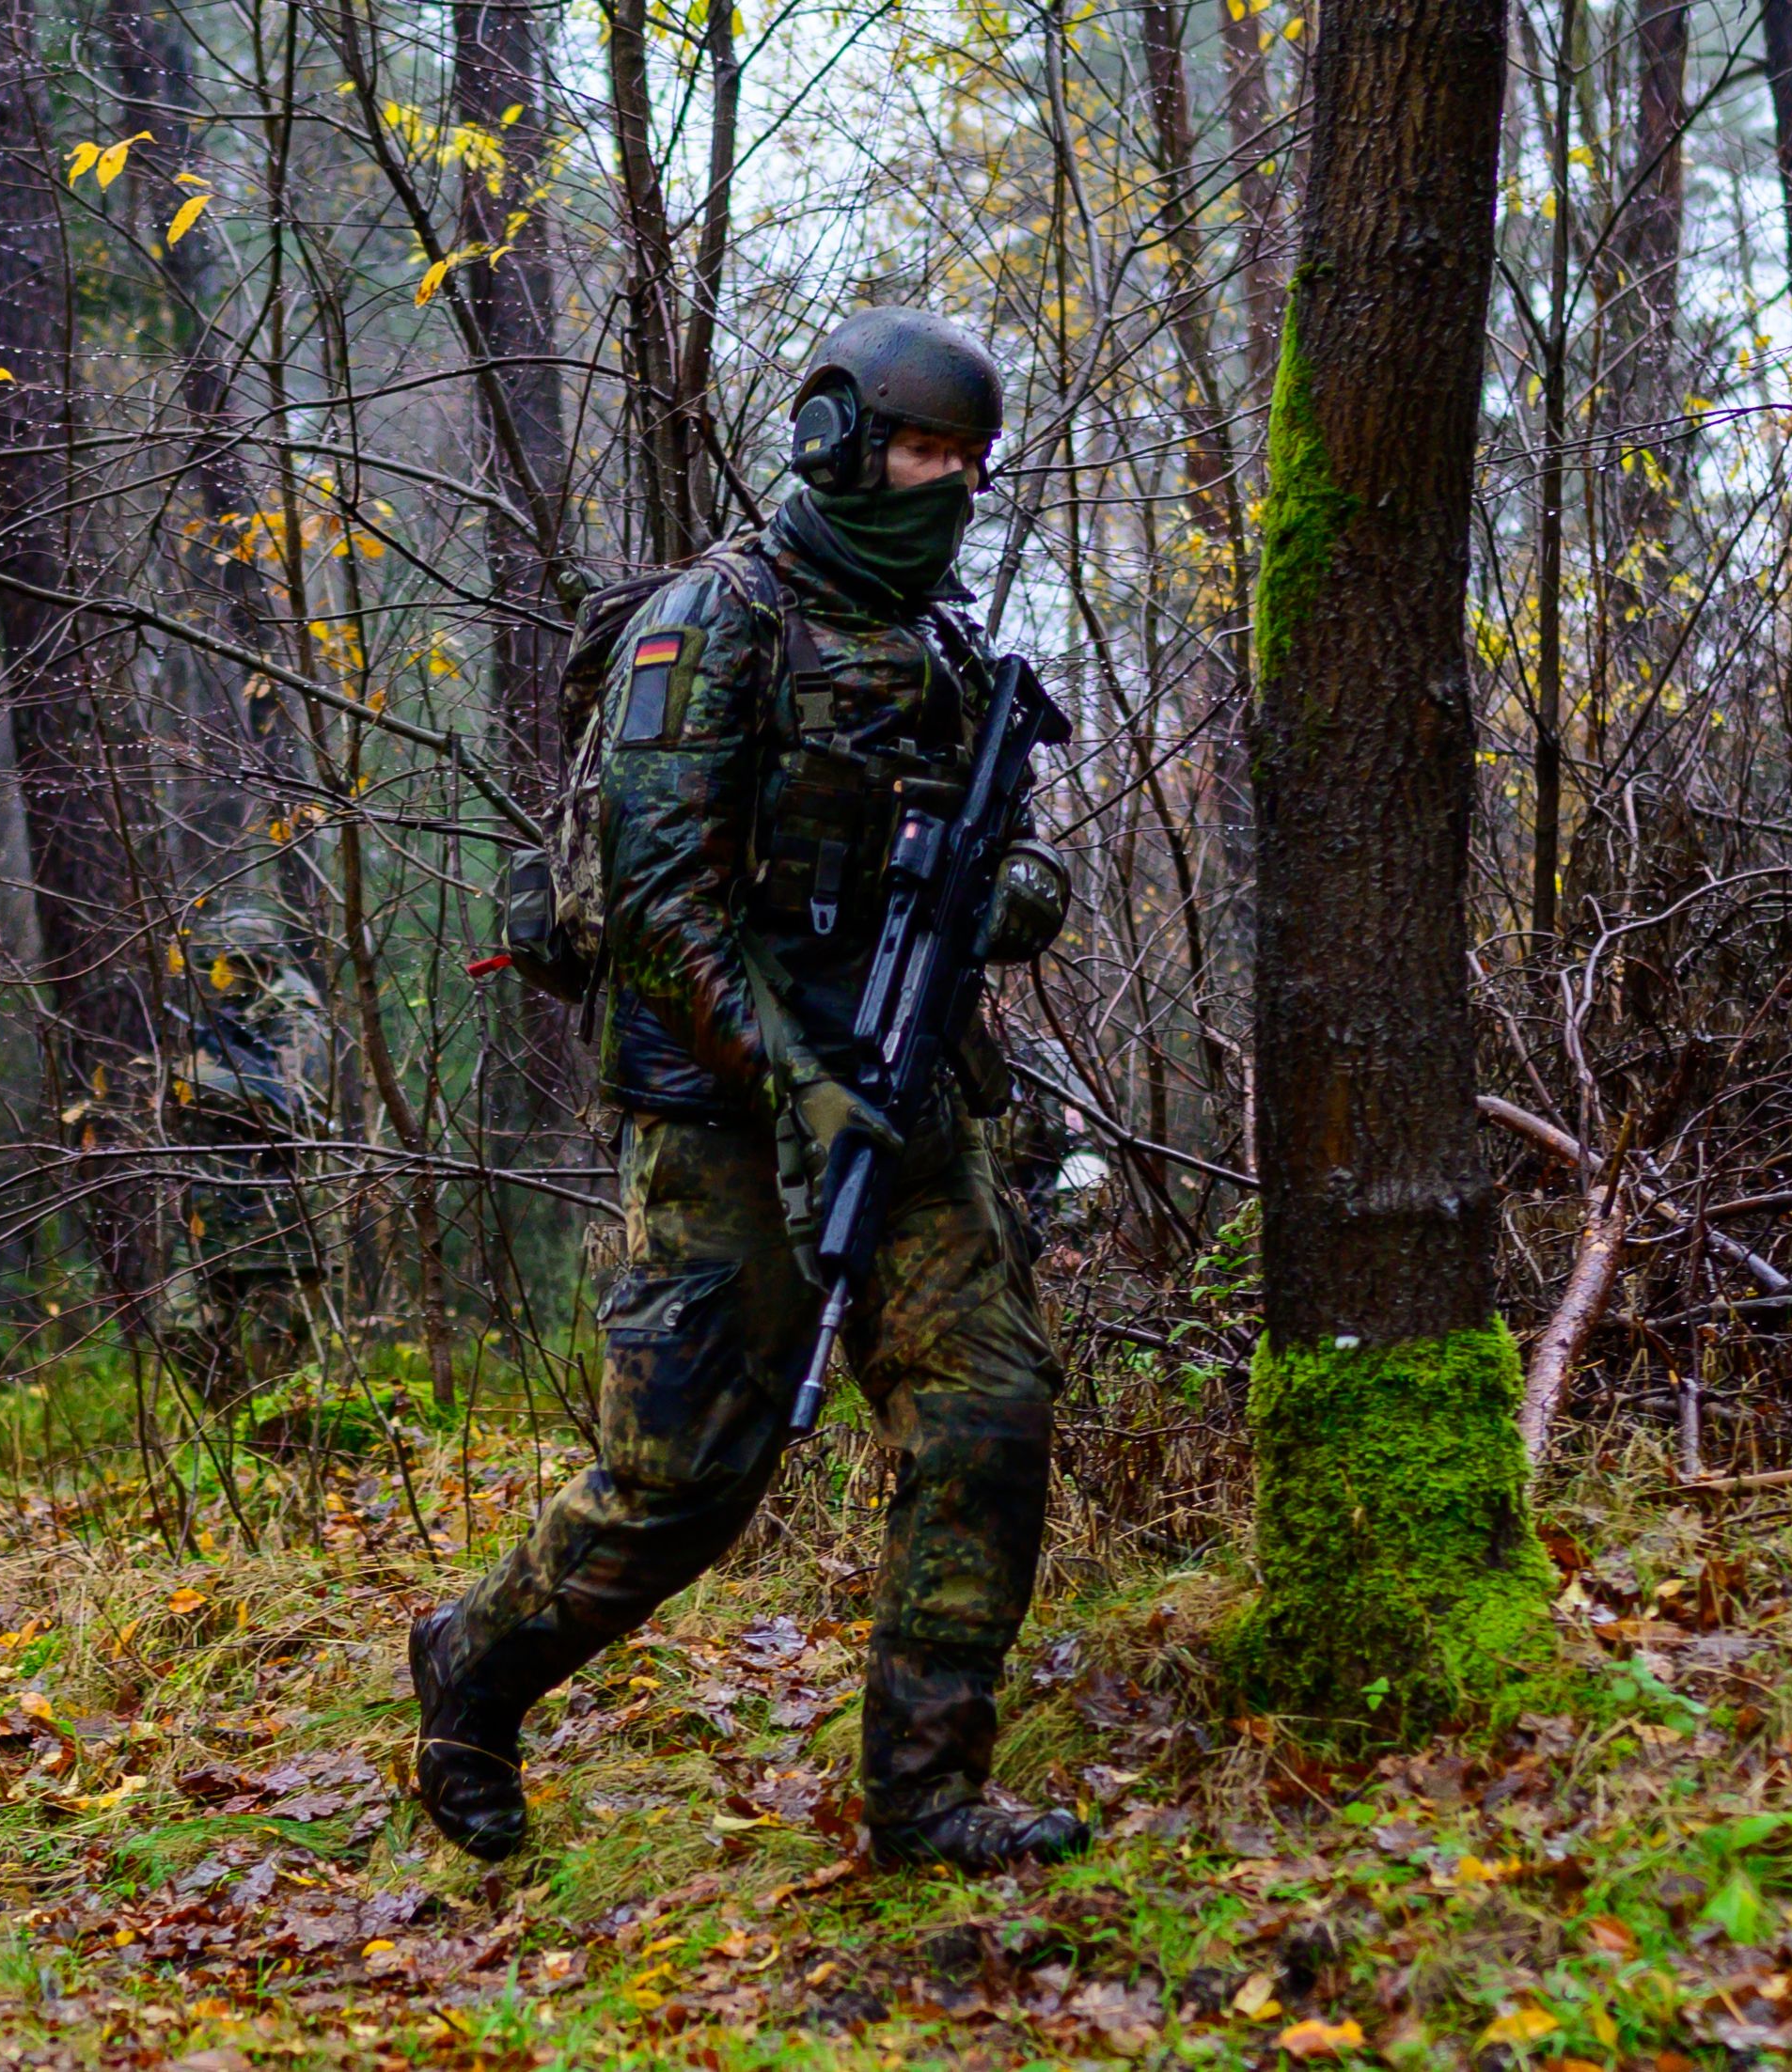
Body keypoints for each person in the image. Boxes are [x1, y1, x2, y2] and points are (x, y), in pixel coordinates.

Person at [413, 308, 1086, 1872]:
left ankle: (926, 1793)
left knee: (986, 1410)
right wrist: (800, 1084)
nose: (951, 487)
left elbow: (1003, 843)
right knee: (685, 1485)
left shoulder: (942, 640)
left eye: (970, 467)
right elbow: (660, 916)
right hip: (727, 1117)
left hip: (907, 1095)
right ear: (842, 442)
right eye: (927, 454)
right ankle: (475, 1659)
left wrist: (1011, 891)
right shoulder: (711, 627)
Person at [162, 901, 333, 1408]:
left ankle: (276, 1462)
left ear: (259, 964)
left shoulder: (296, 1017)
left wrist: (200, 1082)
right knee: (181, 1327)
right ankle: (240, 1445)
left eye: (230, 964)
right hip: (217, 1216)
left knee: (273, 1372)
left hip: (281, 1218)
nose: (220, 976)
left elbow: (293, 1108)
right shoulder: (228, 1020)